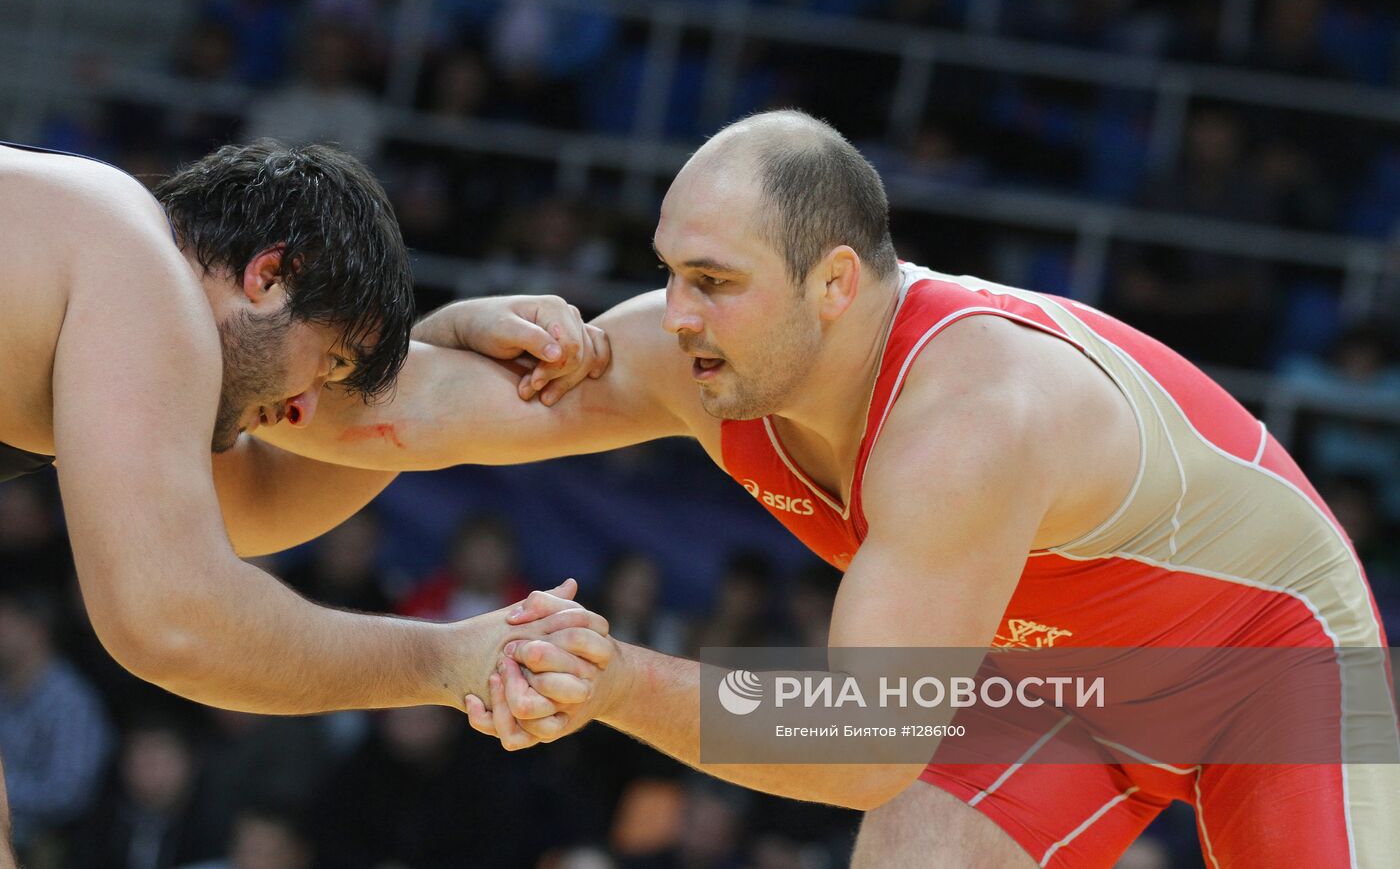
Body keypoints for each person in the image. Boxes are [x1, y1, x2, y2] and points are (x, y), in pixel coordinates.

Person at [260, 110, 1398, 868]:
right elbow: (407, 420)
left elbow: (866, 745)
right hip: (1052, 680)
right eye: (667, 272)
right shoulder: (686, 354)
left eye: (713, 282)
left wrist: (614, 681)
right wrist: (410, 339)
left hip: (1264, 664)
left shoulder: (969, 420)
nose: (677, 314)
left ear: (835, 283)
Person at [0, 139, 612, 864]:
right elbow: (169, 619)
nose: (307, 408)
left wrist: (436, 353)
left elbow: (252, 506)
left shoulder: (84, 271)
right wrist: (444, 661)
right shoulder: (140, 267)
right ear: (270, 275)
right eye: (331, 362)